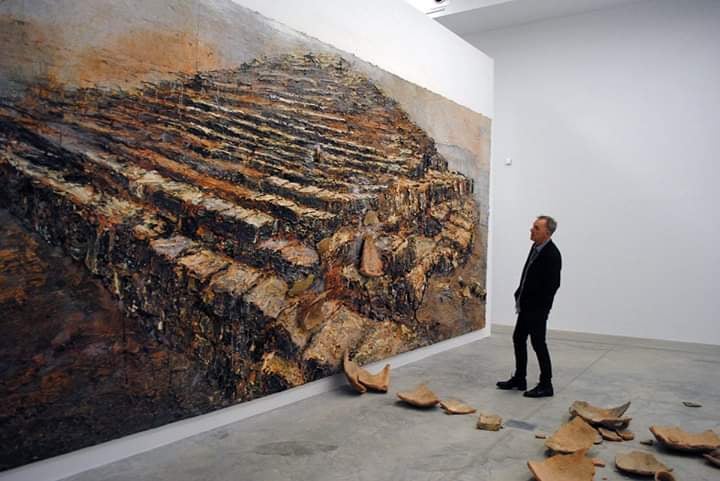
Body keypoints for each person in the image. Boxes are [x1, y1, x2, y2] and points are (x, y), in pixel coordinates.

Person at [497, 215, 561, 398]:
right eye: (533, 226)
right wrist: (520, 293)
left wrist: (538, 308)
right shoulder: (536, 247)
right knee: (518, 338)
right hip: (526, 306)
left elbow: (553, 285)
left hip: (537, 309)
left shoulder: (552, 254)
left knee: (538, 343)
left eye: (536, 228)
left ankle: (546, 384)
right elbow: (528, 274)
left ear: (547, 233)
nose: (531, 230)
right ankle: (520, 378)